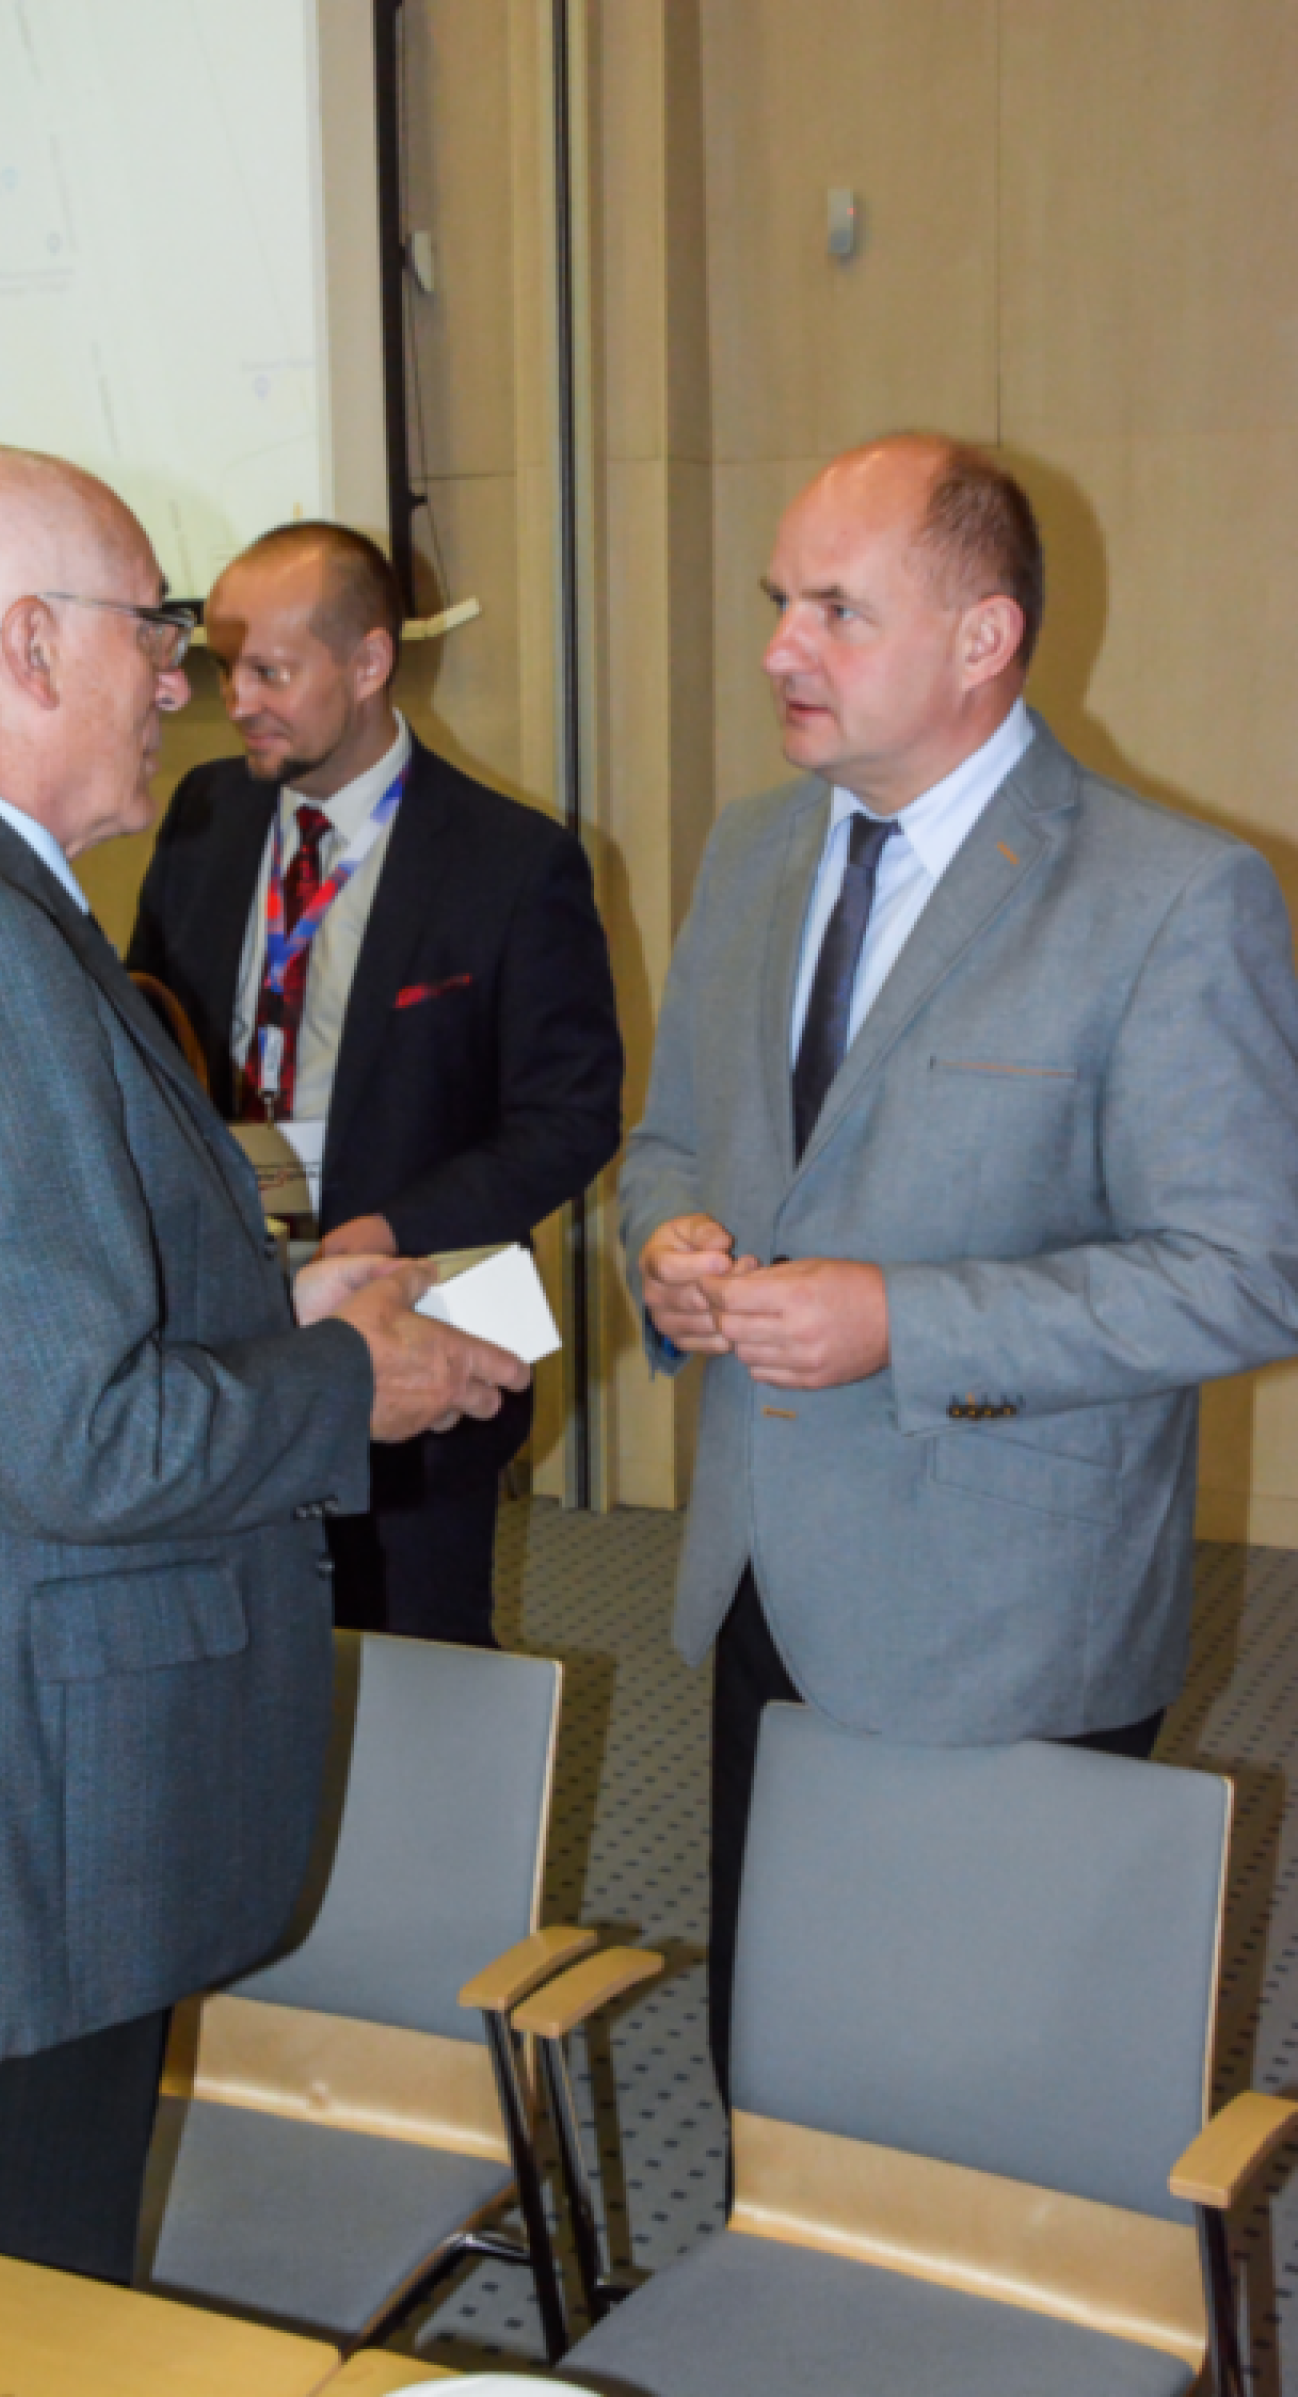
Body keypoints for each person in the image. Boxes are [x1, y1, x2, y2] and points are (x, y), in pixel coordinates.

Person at [0, 444, 528, 2280]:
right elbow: (77, 1441)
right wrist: (357, 1385)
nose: (182, 679)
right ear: (28, 644)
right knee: (4, 2325)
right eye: (154, 630)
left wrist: (284, 1313)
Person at [619, 433, 1298, 2091]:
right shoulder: (751, 852)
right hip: (767, 1576)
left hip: (1007, 1618)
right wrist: (670, 1249)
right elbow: (674, 1144)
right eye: (779, 601)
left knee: (985, 2109)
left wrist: (902, 1322)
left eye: (835, 610)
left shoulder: (1171, 895)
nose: (779, 647)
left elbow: (1248, 1269)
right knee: (779, 2071)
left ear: (983, 638)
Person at [128, 522, 621, 1647]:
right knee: (242, 1652)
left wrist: (385, 1229)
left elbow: (570, 1117)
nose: (235, 700)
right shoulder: (202, 815)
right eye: (225, 668)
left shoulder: (509, 860)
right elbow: (145, 1039)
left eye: (270, 671)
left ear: (368, 662)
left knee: (412, 1657)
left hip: (414, 1315)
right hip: (229, 1329)